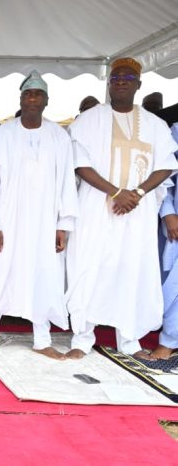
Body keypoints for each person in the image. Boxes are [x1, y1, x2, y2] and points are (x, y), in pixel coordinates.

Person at [66, 57, 178, 360]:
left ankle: (129, 341)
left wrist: (137, 193)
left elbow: (167, 165)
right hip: (97, 208)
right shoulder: (88, 120)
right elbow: (79, 163)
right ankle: (82, 337)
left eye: (128, 78)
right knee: (89, 266)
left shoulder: (156, 126)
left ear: (139, 85)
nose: (121, 82)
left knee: (131, 270)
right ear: (109, 83)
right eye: (115, 78)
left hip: (136, 212)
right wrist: (116, 191)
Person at [0, 71, 78, 360]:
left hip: (45, 221)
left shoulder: (60, 136)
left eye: (38, 94)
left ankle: (42, 339)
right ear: (20, 100)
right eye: (27, 94)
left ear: (46, 101)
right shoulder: (0, 135)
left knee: (44, 274)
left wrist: (64, 225)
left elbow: (67, 183)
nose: (32, 99)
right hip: (8, 220)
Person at [153, 122, 178, 359]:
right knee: (173, 284)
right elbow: (166, 174)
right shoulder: (176, 132)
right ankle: (169, 339)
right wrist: (168, 213)